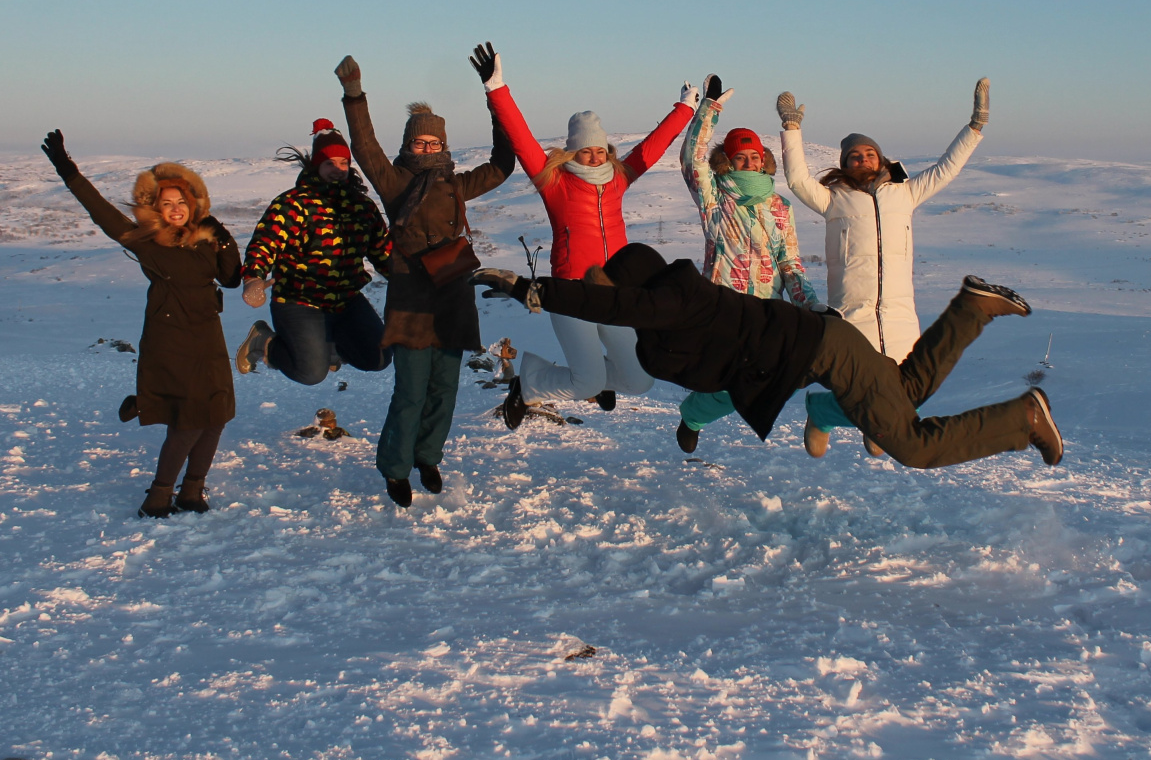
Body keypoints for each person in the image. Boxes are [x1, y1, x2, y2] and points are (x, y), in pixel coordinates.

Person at [471, 243, 1062, 471]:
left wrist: (537, 289)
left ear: (633, 287)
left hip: (822, 350)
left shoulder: (679, 296)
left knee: (914, 444)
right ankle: (973, 307)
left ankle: (1022, 419)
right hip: (817, 351)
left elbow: (622, 307)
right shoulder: (661, 329)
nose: (609, 305)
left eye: (612, 292)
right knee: (905, 392)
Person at [472, 42, 696, 426]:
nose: (594, 157)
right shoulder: (554, 181)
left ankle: (596, 375)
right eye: (585, 151)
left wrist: (685, 109)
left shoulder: (617, 179)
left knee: (640, 380)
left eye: (599, 150)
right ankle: (529, 384)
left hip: (614, 289)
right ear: (572, 151)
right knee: (586, 378)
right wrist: (496, 89)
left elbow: (650, 150)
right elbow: (522, 138)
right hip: (572, 291)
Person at [336, 52, 515, 507]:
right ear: (409, 146)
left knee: (445, 391)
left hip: (452, 298)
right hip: (412, 300)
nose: (428, 148)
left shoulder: (457, 184)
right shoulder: (395, 183)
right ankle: (395, 468)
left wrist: (495, 97)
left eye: (434, 143)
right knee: (411, 392)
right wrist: (354, 95)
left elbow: (502, 163)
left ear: (444, 146)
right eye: (421, 143)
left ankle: (428, 457)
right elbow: (366, 149)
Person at [776, 79, 990, 458]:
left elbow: (947, 168)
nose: (863, 159)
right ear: (844, 164)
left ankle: (876, 423)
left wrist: (975, 126)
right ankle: (824, 413)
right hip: (853, 313)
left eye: (869, 153)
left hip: (899, 312)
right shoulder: (833, 200)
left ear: (882, 158)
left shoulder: (905, 193)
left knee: (910, 393)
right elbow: (796, 179)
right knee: (856, 389)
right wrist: (792, 129)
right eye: (854, 156)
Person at [40, 131, 243, 517]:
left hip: (208, 337)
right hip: (172, 341)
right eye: (167, 203)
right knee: (188, 421)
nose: (176, 208)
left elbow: (232, 278)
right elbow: (102, 213)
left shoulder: (204, 239)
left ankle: (192, 492)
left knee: (215, 417)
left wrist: (221, 233)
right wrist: (70, 173)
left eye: (181, 201)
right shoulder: (147, 242)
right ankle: (159, 495)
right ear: (155, 208)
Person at [674, 73, 821, 453]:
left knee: (758, 381)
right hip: (722, 305)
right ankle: (693, 417)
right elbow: (692, 158)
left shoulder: (779, 207)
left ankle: (694, 414)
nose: (749, 161)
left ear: (764, 162)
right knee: (727, 379)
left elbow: (790, 263)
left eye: (755, 156)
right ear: (727, 161)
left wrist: (810, 305)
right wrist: (709, 109)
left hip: (768, 311)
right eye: (740, 156)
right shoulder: (714, 198)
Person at [235, 119, 393, 384]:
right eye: (330, 163)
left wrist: (415, 278)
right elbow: (265, 243)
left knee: (377, 359)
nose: (338, 169)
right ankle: (264, 343)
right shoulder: (294, 203)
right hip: (299, 300)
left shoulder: (361, 206)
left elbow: (382, 252)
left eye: (343, 163)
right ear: (316, 165)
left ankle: (329, 346)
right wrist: (253, 278)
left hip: (346, 300)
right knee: (310, 373)